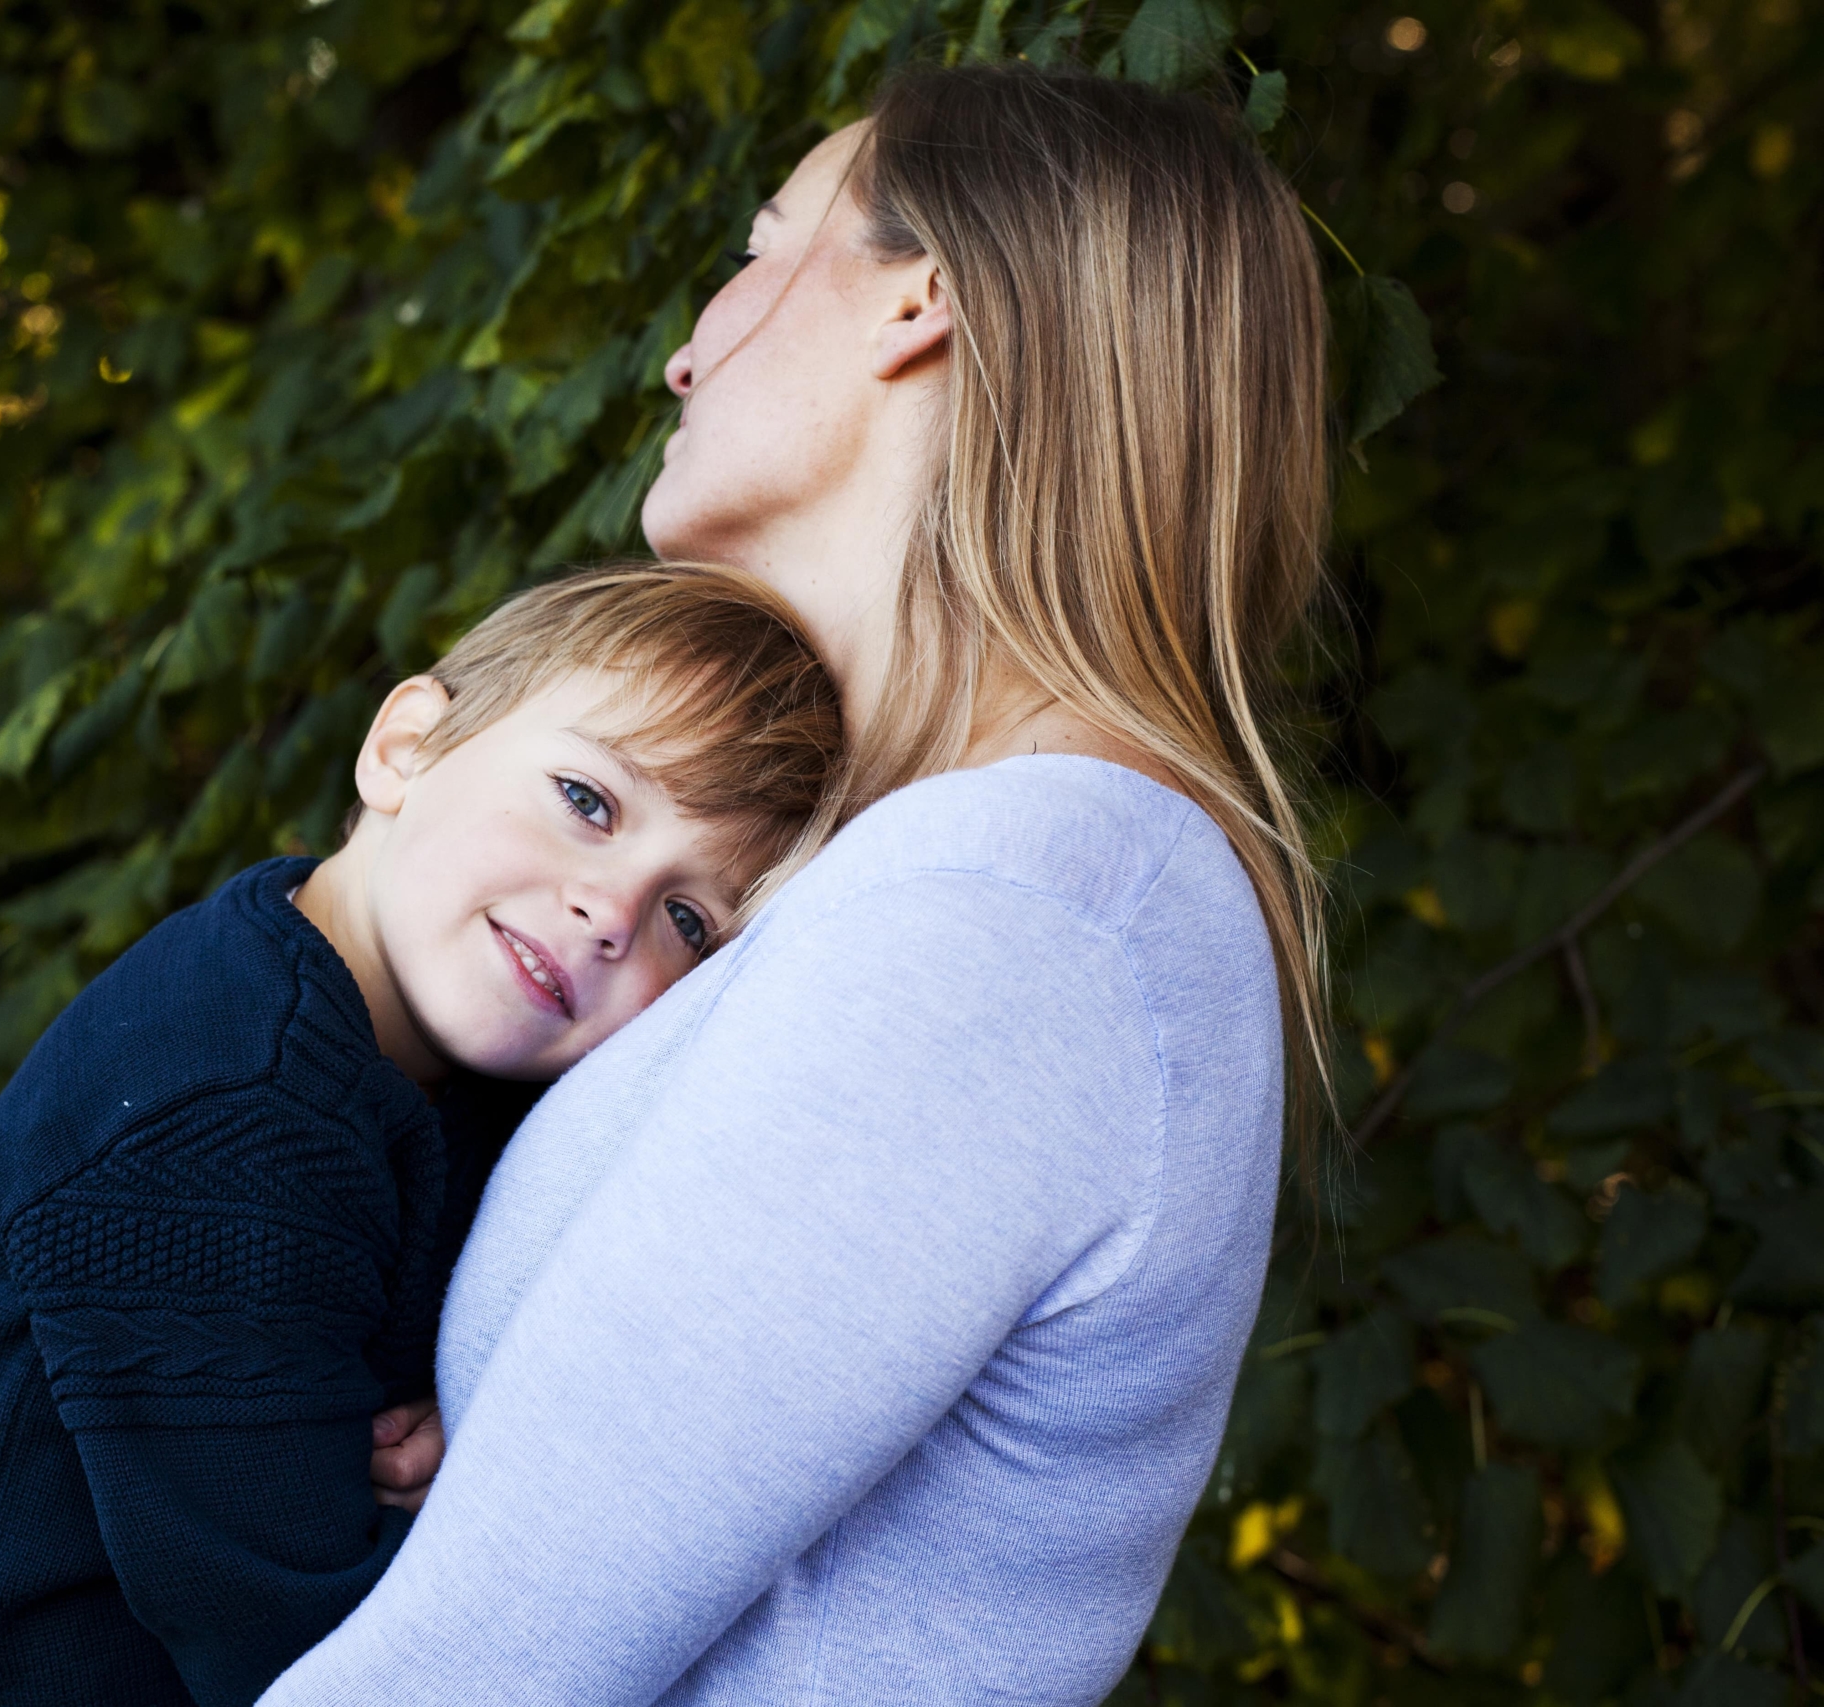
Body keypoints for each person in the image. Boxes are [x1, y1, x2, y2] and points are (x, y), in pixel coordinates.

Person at [261, 63, 1333, 1706]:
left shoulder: (1025, 903)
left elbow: (476, 1672)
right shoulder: (980, 876)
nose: (688, 345)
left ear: (926, 301)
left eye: (766, 247)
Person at [0, 565, 842, 1707]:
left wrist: (483, 1403)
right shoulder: (227, 1106)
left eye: (689, 920)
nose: (610, 913)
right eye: (588, 801)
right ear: (404, 750)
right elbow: (301, 1645)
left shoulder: (452, 1065)